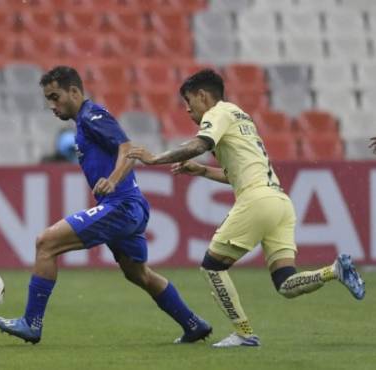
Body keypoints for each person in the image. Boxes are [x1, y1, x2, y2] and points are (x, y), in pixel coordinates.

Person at [127, 69, 366, 348]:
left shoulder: (217, 113)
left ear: (203, 96)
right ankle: (334, 270)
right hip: (279, 202)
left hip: (257, 200)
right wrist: (202, 171)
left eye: (189, 100)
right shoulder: (241, 117)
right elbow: (236, 174)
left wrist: (155, 158)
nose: (187, 108)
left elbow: (198, 144)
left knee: (212, 267)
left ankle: (244, 332)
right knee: (285, 284)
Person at [0, 66, 212, 344]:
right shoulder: (84, 123)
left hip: (121, 205)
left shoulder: (93, 115)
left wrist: (112, 179)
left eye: (55, 97)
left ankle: (31, 323)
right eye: (48, 99)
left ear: (74, 91)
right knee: (138, 273)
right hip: (130, 208)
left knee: (45, 243)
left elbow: (128, 149)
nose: (52, 105)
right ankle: (193, 324)